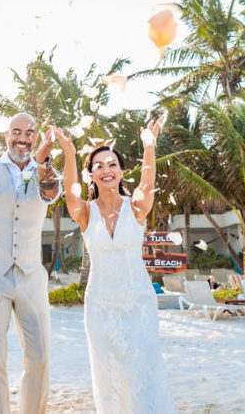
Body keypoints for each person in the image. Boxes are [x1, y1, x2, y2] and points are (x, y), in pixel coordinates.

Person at [53, 118, 177, 413]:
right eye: (98, 165)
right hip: (100, 306)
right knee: (109, 376)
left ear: (121, 172)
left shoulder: (136, 206)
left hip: (139, 305)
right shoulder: (84, 212)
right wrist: (69, 153)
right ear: (91, 175)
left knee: (142, 370)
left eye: (112, 164)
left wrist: (150, 144)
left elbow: (148, 182)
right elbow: (70, 191)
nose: (106, 170)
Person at [0, 114, 60, 414]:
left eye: (29, 133)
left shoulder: (45, 171)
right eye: (16, 132)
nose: (23, 138)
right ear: (6, 135)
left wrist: (44, 163)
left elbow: (50, 193)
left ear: (35, 138)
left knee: (40, 357)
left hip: (32, 274)